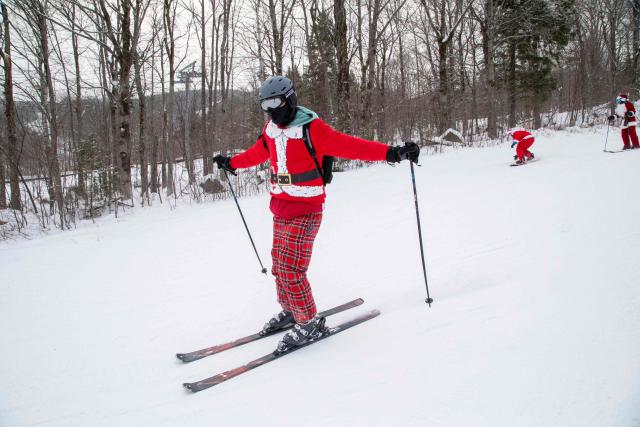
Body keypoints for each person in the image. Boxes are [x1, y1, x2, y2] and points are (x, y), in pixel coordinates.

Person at [213, 76, 419, 352]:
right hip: (280, 208)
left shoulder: (313, 129)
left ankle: (308, 322)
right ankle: (290, 310)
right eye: (265, 105)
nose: (271, 111)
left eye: (275, 103)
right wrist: (231, 163)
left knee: (291, 268)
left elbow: (352, 146)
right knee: (278, 264)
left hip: (307, 209)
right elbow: (256, 153)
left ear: (289, 99)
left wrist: (392, 153)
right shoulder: (271, 131)